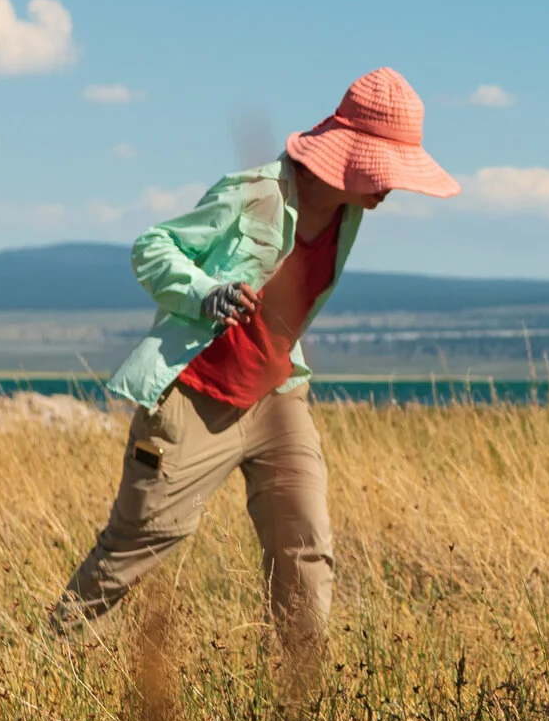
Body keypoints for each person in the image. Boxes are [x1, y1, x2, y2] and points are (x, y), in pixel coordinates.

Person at [49, 68, 460, 640]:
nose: (392, 186)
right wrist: (203, 292)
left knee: (305, 545)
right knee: (140, 541)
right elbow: (152, 247)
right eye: (385, 168)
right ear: (350, 155)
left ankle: (298, 696)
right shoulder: (255, 193)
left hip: (278, 396)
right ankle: (51, 652)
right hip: (196, 396)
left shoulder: (352, 211)